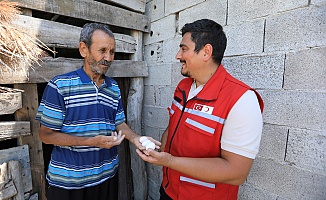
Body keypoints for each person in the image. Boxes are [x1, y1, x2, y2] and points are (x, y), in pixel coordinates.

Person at [136, 19, 264, 200]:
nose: (178, 55)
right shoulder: (183, 87)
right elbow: (173, 127)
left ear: (206, 52)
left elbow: (237, 173)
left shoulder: (242, 100)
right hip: (168, 190)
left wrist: (169, 161)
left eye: (184, 49)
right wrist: (159, 151)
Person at [35, 23, 160, 200]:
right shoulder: (59, 86)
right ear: (83, 49)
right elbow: (46, 135)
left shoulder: (113, 87)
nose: (108, 58)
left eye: (112, 52)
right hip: (69, 183)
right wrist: (91, 141)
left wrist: (135, 138)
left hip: (107, 177)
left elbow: (119, 123)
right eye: (102, 50)